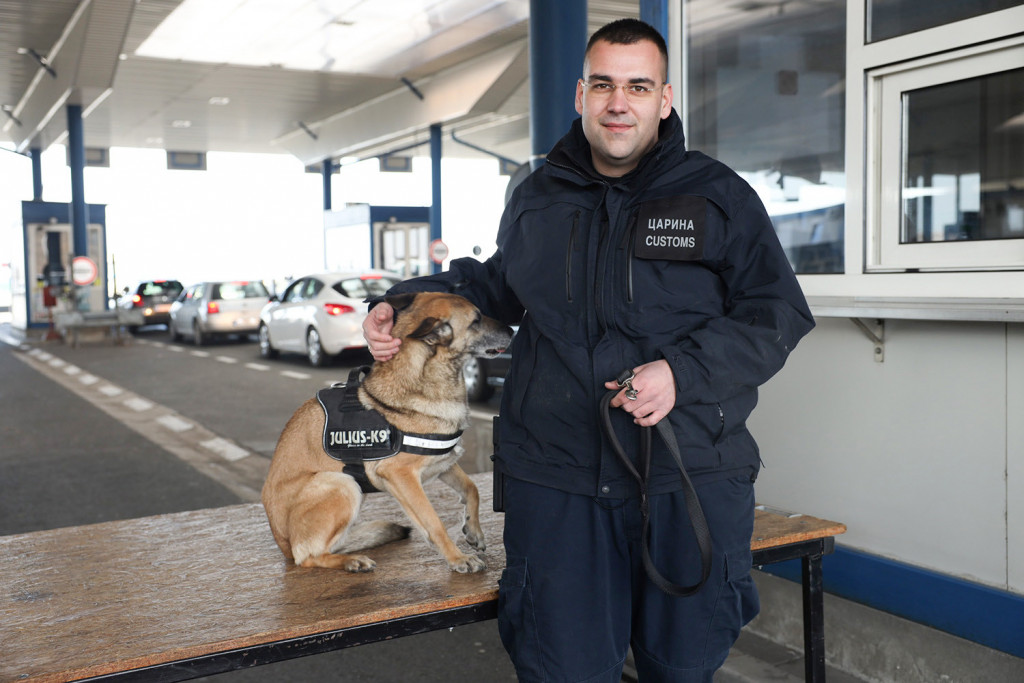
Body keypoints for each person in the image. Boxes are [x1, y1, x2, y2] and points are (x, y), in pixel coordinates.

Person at [363, 18, 815, 683]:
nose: (618, 102)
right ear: (581, 94)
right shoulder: (538, 197)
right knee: (560, 667)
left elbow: (776, 313)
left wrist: (681, 374)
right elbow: (496, 287)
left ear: (664, 98)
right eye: (603, 84)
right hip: (559, 479)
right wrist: (402, 303)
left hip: (684, 476)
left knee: (683, 666)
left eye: (638, 85)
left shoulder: (718, 197)